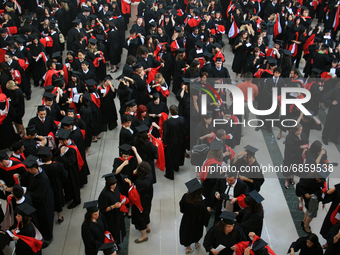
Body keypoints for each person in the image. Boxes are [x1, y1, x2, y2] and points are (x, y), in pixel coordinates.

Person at [21, 155, 54, 248]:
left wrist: (26, 192)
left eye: (29, 170)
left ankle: (48, 238)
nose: (28, 171)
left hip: (44, 203)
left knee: (46, 221)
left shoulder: (43, 179)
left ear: (34, 169)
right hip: (39, 201)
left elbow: (39, 195)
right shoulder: (34, 174)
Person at [124, 162, 154, 243]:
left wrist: (130, 184)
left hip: (140, 202)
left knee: (140, 217)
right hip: (148, 199)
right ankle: (147, 227)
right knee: (146, 213)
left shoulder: (141, 182)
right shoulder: (150, 175)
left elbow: (135, 193)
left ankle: (144, 235)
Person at [37, 146, 68, 224]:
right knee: (58, 199)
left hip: (47, 187)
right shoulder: (57, 165)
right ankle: (59, 217)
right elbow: (65, 175)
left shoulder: (41, 168)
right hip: (57, 185)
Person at [179, 178, 210, 254]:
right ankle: (196, 243)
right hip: (197, 222)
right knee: (197, 232)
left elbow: (182, 208)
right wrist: (208, 211)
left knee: (186, 233)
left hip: (187, 219)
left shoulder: (186, 197)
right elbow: (204, 215)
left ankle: (188, 248)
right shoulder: (200, 203)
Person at [98, 173, 126, 247]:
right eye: (112, 184)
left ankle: (118, 243)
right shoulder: (104, 194)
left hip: (118, 213)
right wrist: (113, 206)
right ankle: (113, 244)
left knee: (119, 228)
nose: (114, 186)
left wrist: (122, 199)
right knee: (113, 231)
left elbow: (118, 196)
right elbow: (103, 209)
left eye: (115, 183)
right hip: (111, 217)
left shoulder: (116, 188)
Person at [163, 105, 187, 180]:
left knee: (170, 157)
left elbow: (165, 134)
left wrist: (165, 143)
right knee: (178, 154)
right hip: (181, 141)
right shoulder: (182, 119)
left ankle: (170, 174)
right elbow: (186, 130)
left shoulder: (168, 122)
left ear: (170, 112)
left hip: (171, 143)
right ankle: (176, 167)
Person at [283, 123, 309, 189]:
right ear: (295, 130)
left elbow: (306, 141)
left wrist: (305, 147)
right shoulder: (289, 137)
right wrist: (300, 147)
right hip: (290, 155)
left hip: (298, 155)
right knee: (289, 168)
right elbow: (290, 148)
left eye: (301, 130)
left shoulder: (303, 135)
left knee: (296, 167)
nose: (300, 132)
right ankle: (287, 180)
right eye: (299, 130)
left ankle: (292, 177)